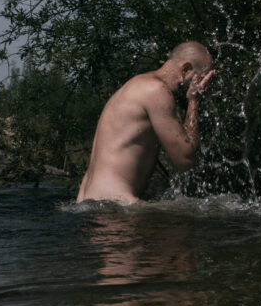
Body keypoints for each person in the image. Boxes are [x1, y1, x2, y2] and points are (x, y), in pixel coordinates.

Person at [76, 41, 216, 203]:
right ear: (186, 69)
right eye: (202, 77)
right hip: (115, 204)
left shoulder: (138, 84)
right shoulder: (156, 91)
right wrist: (194, 101)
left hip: (89, 202)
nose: (204, 85)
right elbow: (185, 160)